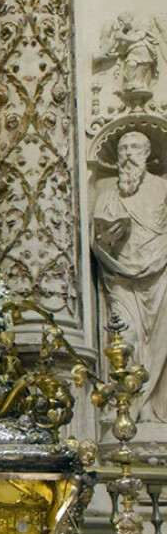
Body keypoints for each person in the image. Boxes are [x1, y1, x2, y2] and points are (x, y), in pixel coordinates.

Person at [92, 130, 167, 421]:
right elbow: (96, 241)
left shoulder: (162, 188)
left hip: (158, 272)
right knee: (127, 336)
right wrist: (106, 238)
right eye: (123, 148)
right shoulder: (107, 195)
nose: (128, 154)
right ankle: (125, 408)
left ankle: (151, 406)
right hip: (119, 275)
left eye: (135, 147)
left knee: (161, 340)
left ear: (147, 154)